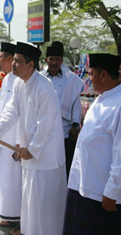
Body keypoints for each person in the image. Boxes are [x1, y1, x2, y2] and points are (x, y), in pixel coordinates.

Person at [0, 42, 66, 235]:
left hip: (46, 160)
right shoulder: (20, 84)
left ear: (31, 65)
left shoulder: (44, 88)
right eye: (13, 60)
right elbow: (10, 112)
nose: (13, 65)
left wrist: (32, 149)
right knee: (30, 208)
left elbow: (45, 125)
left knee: (45, 210)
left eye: (18, 61)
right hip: (29, 157)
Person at [63, 53, 121, 235]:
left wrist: (112, 190)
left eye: (91, 74)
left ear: (104, 75)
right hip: (85, 187)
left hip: (105, 195)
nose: (89, 79)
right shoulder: (100, 100)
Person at [0, 42, 22, 232]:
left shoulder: (19, 80)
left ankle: (17, 218)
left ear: (10, 59)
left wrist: (18, 141)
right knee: (3, 178)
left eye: (1, 56)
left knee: (14, 179)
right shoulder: (6, 78)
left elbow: (18, 114)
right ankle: (6, 214)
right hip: (2, 136)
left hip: (13, 140)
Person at [40, 43, 84, 178]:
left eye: (57, 59)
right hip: (44, 130)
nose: (54, 62)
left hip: (64, 131)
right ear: (46, 59)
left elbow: (76, 104)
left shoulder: (71, 79)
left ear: (62, 59)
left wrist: (75, 125)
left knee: (64, 168)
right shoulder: (40, 78)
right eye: (51, 59)